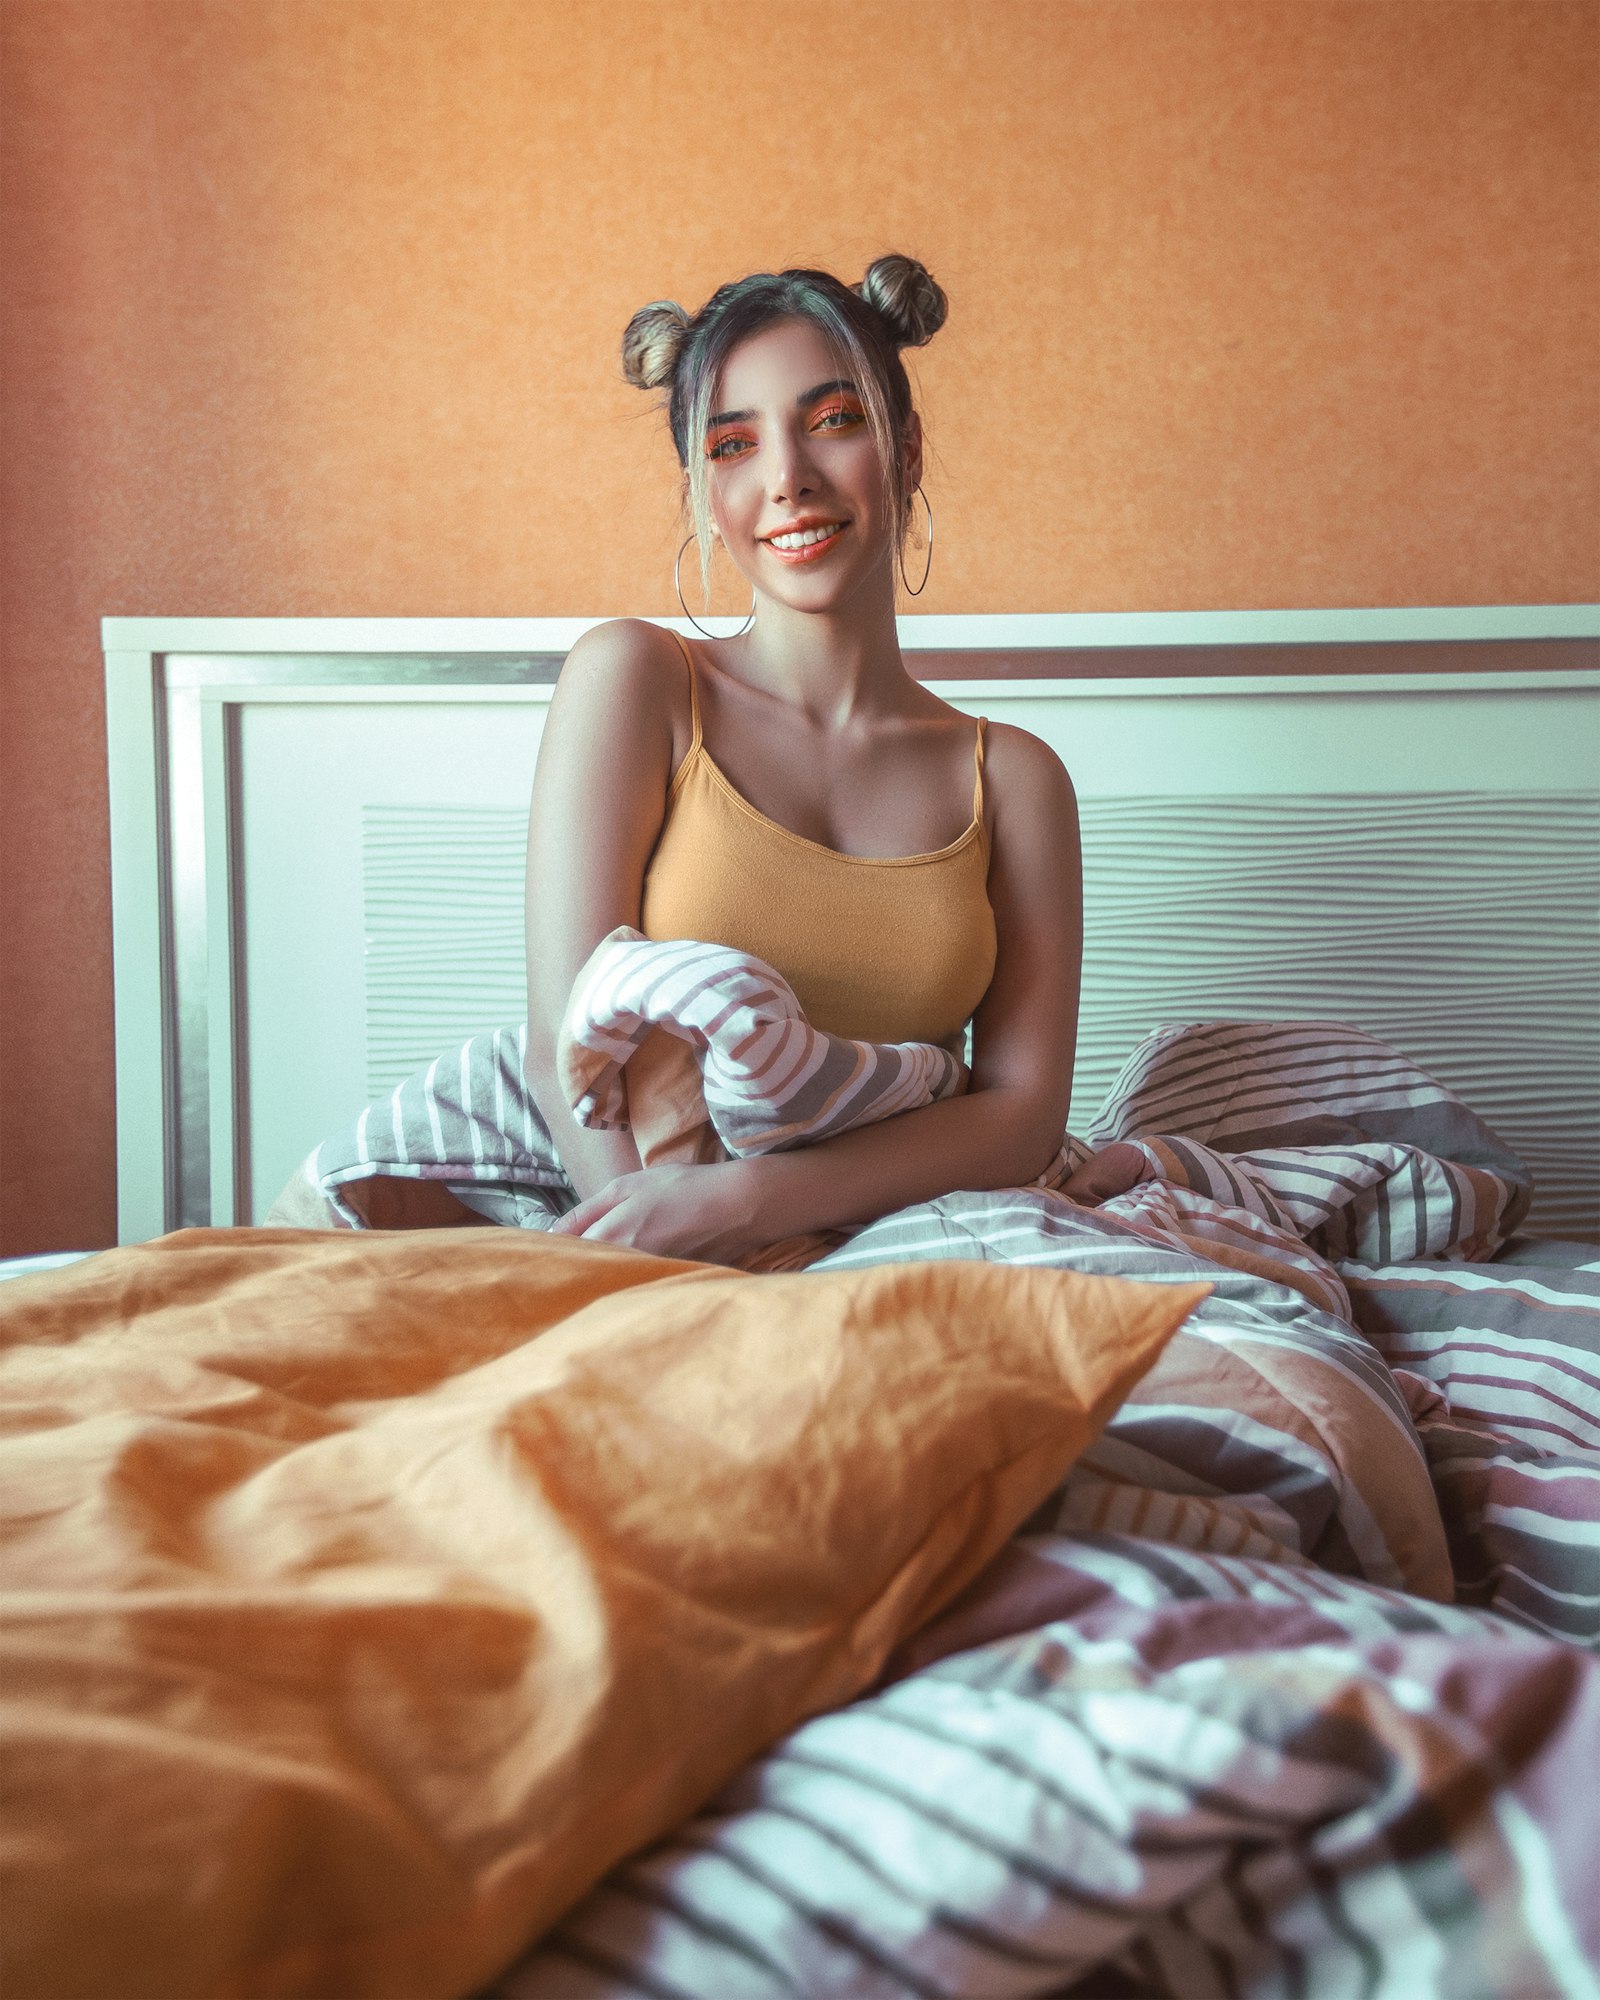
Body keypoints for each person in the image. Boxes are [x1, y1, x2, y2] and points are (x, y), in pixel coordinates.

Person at [525, 254, 1120, 1267]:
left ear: (909, 449)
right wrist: (668, 1264)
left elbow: (1019, 1116)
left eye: (833, 420)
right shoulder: (635, 680)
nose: (786, 478)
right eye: (732, 443)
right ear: (702, 491)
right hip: (645, 1231)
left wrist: (743, 1202)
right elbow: (560, 1051)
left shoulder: (1015, 779)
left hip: (915, 1239)